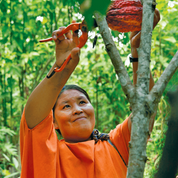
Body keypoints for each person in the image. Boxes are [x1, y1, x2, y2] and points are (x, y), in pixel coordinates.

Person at [20, 9, 160, 178]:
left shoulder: (115, 144)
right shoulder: (48, 153)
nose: (78, 110)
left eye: (82, 102)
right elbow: (33, 120)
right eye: (66, 106)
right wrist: (62, 69)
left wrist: (138, 50)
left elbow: (146, 109)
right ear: (54, 123)